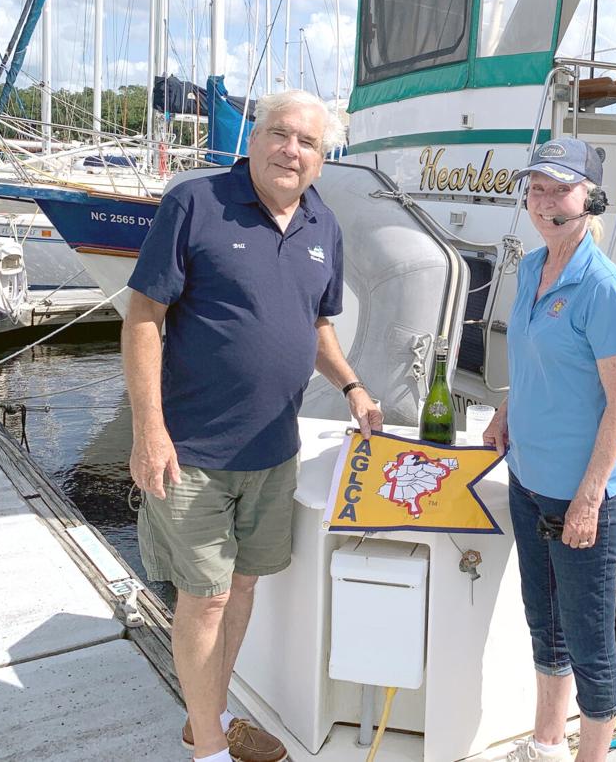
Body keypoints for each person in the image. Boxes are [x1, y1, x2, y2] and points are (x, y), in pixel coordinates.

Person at [122, 89, 382, 762]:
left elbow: (314, 326)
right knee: (204, 599)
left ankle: (210, 713)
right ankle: (209, 747)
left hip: (272, 451)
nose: (291, 150)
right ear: (254, 138)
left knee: (241, 587)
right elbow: (143, 315)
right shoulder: (196, 202)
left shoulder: (324, 225)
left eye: (307, 142)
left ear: (323, 160)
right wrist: (148, 429)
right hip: (192, 451)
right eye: (279, 133)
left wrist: (351, 385)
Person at [484, 138, 616, 762]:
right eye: (537, 188)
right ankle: (547, 743)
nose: (545, 200)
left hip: (582, 494)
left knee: (588, 636)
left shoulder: (601, 287)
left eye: (560, 189)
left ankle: (591, 756)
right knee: (543, 622)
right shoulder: (531, 267)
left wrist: (589, 497)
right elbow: (528, 359)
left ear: (589, 200)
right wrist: (504, 413)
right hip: (528, 478)